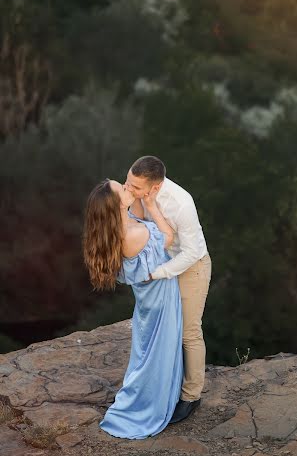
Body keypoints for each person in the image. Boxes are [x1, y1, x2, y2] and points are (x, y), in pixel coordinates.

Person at [83, 178, 183, 439]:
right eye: (123, 189)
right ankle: (147, 406)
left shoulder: (125, 222)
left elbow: (136, 207)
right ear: (116, 205)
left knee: (147, 352)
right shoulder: (133, 234)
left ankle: (159, 396)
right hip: (159, 300)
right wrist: (149, 200)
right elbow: (169, 236)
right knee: (157, 354)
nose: (128, 189)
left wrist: (137, 194)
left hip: (149, 301)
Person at [125, 156, 212, 424]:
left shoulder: (181, 204)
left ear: (154, 188)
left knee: (188, 332)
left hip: (190, 268)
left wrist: (157, 273)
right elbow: (136, 222)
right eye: (128, 182)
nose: (129, 189)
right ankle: (164, 390)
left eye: (135, 188)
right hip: (161, 264)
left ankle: (191, 396)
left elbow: (192, 252)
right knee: (164, 331)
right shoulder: (137, 190)